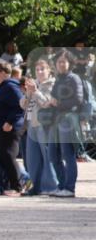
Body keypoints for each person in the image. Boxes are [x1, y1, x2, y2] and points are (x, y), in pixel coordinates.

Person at [46, 49, 84, 197]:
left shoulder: (74, 78)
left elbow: (78, 100)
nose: (61, 64)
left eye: (64, 61)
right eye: (58, 61)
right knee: (53, 155)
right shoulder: (58, 79)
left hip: (67, 120)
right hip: (55, 120)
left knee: (68, 154)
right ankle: (61, 186)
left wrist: (59, 103)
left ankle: (69, 188)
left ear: (70, 63)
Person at [0, 60, 25, 196]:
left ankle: (18, 187)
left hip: (9, 129)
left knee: (9, 156)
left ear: (3, 72)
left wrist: (10, 122)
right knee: (2, 157)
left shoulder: (11, 86)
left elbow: (21, 105)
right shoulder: (1, 87)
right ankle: (8, 185)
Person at [20, 58, 58, 196]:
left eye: (43, 69)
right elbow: (22, 104)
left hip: (46, 126)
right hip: (32, 125)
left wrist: (35, 92)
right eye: (37, 70)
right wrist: (29, 93)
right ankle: (35, 187)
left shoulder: (53, 85)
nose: (40, 72)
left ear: (49, 71)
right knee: (32, 159)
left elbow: (47, 103)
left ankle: (53, 187)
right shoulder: (33, 85)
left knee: (48, 157)